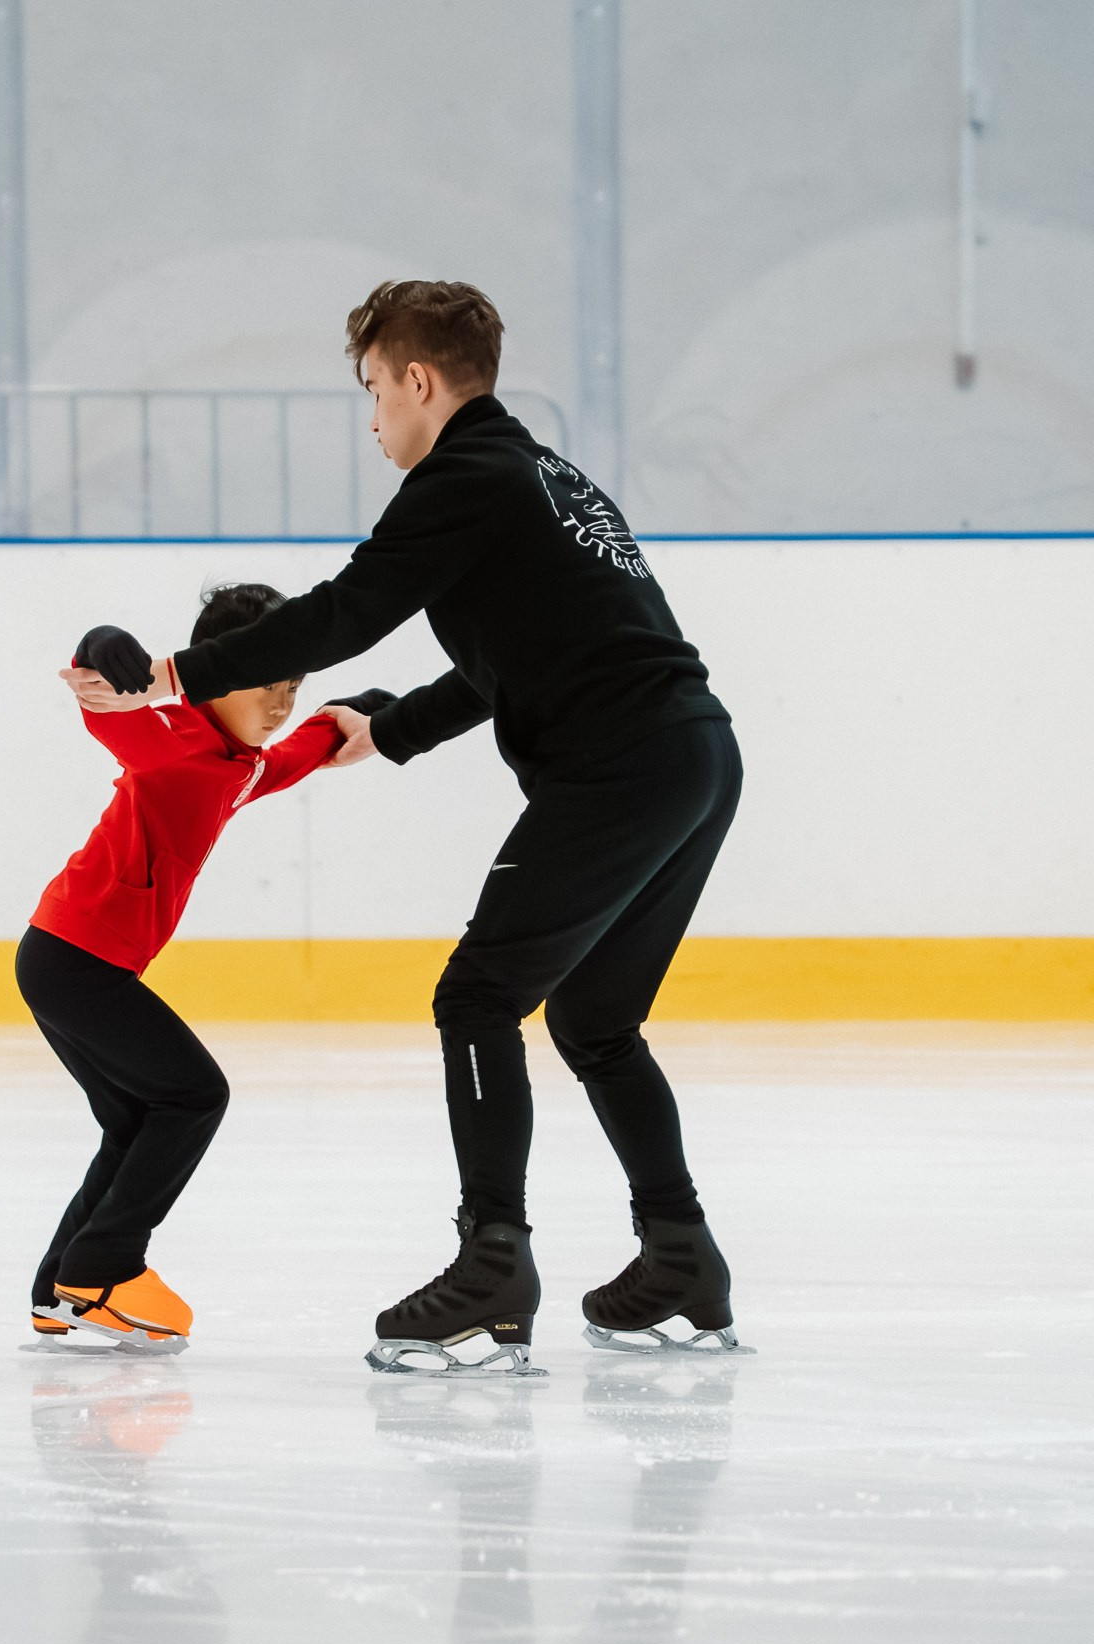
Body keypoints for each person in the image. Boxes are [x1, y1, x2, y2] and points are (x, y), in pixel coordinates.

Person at [60, 281, 746, 1373]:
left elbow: (343, 610)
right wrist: (386, 734)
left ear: (420, 380)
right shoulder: (547, 478)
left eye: (376, 389)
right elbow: (503, 662)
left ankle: (491, 1271)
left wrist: (173, 676)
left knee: (476, 996)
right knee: (595, 1023)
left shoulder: (463, 476)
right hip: (694, 758)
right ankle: (680, 1256)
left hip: (619, 770)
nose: (375, 416)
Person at [25, 582, 384, 1353]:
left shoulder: (241, 761)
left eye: (294, 685)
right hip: (76, 959)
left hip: (68, 956)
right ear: (219, 671)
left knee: (136, 1118)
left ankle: (61, 1287)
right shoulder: (171, 736)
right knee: (194, 1096)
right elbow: (109, 706)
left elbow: (293, 756)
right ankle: (104, 1268)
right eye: (269, 682)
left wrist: (353, 716)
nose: (283, 702)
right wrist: (102, 639)